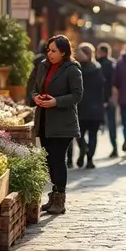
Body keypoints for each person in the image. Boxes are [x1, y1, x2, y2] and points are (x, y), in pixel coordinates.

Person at [27, 35, 83, 215]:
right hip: (44, 120)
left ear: (64, 52)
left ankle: (60, 198)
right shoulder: (43, 65)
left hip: (63, 123)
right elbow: (34, 88)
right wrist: (36, 97)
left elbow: (77, 95)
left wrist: (56, 102)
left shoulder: (72, 69)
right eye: (48, 50)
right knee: (48, 160)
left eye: (54, 51)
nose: (50, 54)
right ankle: (53, 195)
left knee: (58, 160)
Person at [75, 43, 104, 169]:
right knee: (93, 135)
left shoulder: (76, 69)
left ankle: (83, 148)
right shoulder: (97, 68)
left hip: (80, 106)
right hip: (95, 107)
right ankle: (90, 159)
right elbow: (102, 88)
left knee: (79, 134)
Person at [96, 43, 118, 158]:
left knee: (93, 126)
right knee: (112, 123)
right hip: (109, 98)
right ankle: (115, 147)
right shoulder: (113, 63)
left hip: (98, 98)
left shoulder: (97, 64)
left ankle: (90, 151)